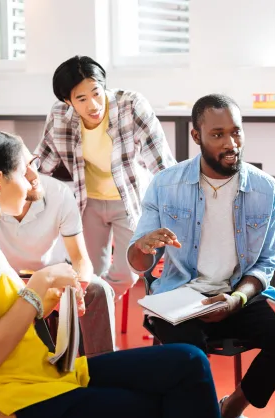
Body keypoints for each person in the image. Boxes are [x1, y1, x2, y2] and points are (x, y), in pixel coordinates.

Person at [0, 127, 221, 418]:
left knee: (190, 361)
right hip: (9, 398)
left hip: (35, 377)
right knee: (163, 404)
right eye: (26, 170)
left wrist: (45, 302)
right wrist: (37, 287)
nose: (34, 179)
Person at [127, 94, 275, 418]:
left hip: (238, 296)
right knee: (191, 357)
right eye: (218, 134)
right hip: (181, 295)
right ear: (197, 136)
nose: (231, 143)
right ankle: (205, 417)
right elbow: (138, 264)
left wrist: (237, 298)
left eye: (236, 132)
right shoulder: (166, 185)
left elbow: (266, 263)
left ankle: (230, 409)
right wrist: (144, 247)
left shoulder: (266, 190)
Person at [35, 55, 176, 299]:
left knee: (127, 272)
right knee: (88, 272)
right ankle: (92, 326)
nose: (93, 105)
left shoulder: (131, 105)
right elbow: (42, 161)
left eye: (96, 93)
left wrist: (179, 204)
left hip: (130, 202)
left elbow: (161, 162)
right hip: (88, 202)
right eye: (81, 98)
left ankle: (95, 305)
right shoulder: (59, 115)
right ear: (67, 101)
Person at [0, 142, 116, 357]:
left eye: (33, 163)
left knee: (98, 290)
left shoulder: (57, 192)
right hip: (5, 281)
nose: (34, 176)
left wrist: (80, 287)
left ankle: (102, 367)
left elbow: (80, 258)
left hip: (55, 276)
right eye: (23, 170)